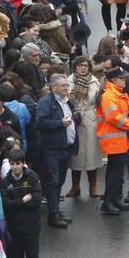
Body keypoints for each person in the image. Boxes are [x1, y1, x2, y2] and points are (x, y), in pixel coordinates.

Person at [33, 73, 79, 228]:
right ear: (54, 88)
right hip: (52, 149)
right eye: (63, 85)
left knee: (60, 181)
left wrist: (76, 117)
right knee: (52, 181)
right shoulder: (45, 103)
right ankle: (53, 215)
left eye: (67, 85)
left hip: (66, 148)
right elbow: (40, 123)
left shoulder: (68, 102)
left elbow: (72, 120)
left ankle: (56, 210)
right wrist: (60, 123)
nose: (67, 88)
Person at [96, 67, 129, 216]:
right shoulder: (109, 96)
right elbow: (113, 117)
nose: (124, 80)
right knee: (114, 173)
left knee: (117, 173)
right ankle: (108, 202)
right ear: (114, 80)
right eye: (122, 78)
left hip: (118, 139)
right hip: (113, 140)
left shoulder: (117, 94)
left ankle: (115, 199)